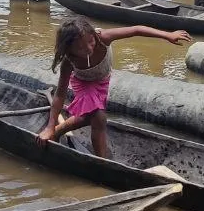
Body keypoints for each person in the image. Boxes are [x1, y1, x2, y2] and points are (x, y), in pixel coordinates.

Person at [38, 17, 192, 157]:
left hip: (102, 79)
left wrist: (168, 35)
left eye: (90, 42)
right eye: (80, 49)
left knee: (88, 117)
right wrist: (49, 126)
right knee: (98, 117)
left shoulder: (103, 37)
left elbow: (136, 29)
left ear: (93, 34)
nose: (89, 49)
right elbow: (59, 95)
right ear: (69, 50)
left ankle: (60, 130)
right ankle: (101, 160)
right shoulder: (68, 62)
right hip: (83, 83)